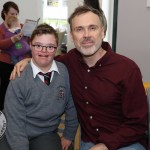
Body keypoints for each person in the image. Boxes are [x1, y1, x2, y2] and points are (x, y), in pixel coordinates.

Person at [10, 5, 148, 150]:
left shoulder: (127, 69)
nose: (86, 35)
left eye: (92, 28)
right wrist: (28, 61)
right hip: (89, 142)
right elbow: (46, 58)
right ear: (72, 35)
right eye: (79, 29)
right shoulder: (69, 62)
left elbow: (138, 123)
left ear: (103, 31)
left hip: (126, 143)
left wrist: (106, 145)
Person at [0, 23, 78, 150]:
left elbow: (71, 106)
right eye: (38, 45)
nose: (44, 51)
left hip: (44, 133)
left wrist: (68, 135)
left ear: (56, 48)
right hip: (13, 131)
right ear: (30, 45)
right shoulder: (19, 77)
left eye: (50, 47)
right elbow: (14, 123)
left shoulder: (63, 72)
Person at [0, 1, 30, 110]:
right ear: (5, 13)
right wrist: (12, 39)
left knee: (21, 88)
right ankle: (3, 110)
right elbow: (1, 45)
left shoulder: (22, 26)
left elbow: (28, 43)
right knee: (6, 88)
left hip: (22, 62)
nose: (15, 16)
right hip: (6, 63)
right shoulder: (1, 28)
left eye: (16, 14)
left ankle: (18, 108)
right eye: (12, 14)